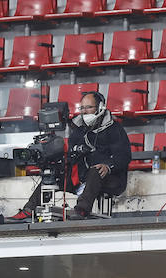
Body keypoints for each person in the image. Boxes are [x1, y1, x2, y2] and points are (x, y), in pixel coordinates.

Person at [13, 92, 132, 220]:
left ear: (100, 107)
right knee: (52, 173)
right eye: (82, 108)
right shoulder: (78, 130)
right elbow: (70, 156)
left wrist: (108, 166)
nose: (84, 111)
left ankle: (81, 210)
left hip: (110, 178)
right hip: (81, 177)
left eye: (89, 107)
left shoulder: (114, 129)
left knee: (96, 170)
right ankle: (28, 210)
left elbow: (124, 156)